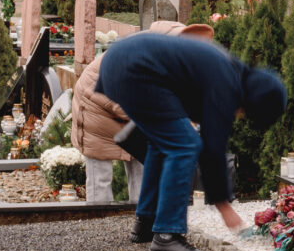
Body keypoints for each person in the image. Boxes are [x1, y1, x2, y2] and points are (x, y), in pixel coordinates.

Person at [98, 31, 285, 251]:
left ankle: (145, 222)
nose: (240, 116)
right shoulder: (227, 83)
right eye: (247, 113)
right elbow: (212, 150)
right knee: (185, 145)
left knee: (164, 143)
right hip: (134, 69)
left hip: (119, 60)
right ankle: (167, 236)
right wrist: (224, 207)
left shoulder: (228, 70)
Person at [72, 21, 215, 208]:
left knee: (141, 163)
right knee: (100, 174)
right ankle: (98, 218)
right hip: (95, 106)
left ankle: (140, 217)